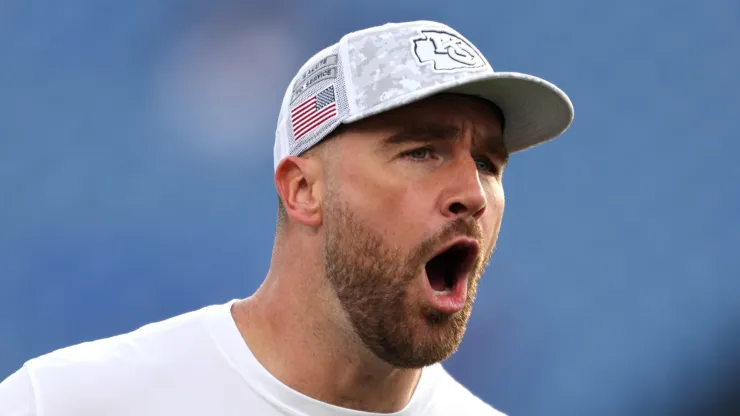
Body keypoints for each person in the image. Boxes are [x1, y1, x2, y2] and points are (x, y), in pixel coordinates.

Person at [0, 20, 573, 415]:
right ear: (302, 190)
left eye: (487, 162)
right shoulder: (65, 402)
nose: (471, 193)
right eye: (421, 151)